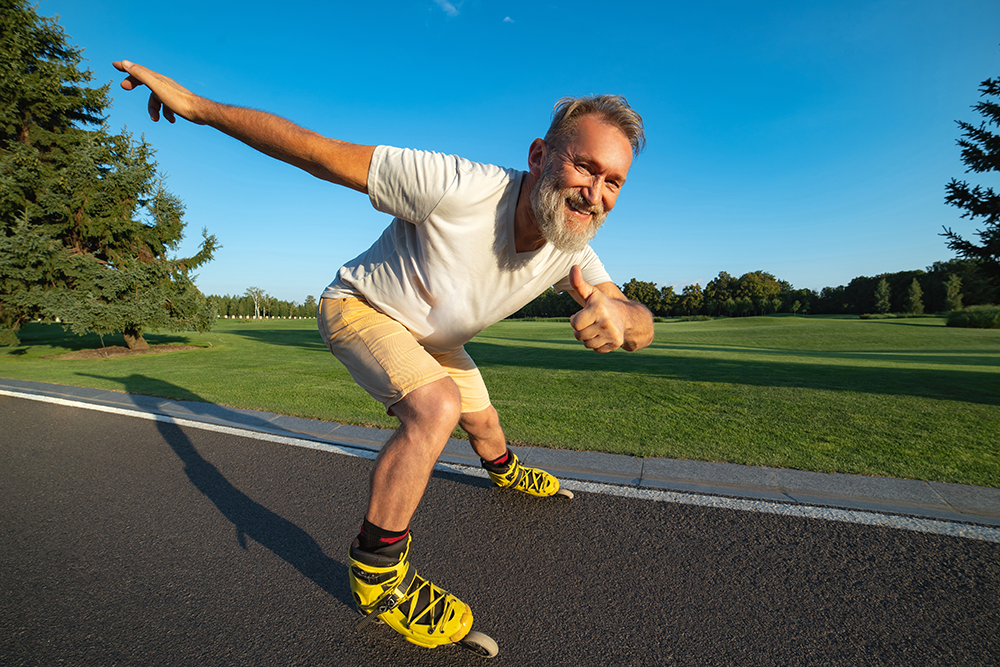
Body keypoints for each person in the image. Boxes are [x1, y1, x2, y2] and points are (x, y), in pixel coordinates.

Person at [113, 60, 654, 651]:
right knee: (436, 406)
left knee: (485, 422)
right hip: (362, 309)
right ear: (539, 156)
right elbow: (315, 150)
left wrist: (627, 318)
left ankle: (506, 472)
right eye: (585, 166)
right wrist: (195, 106)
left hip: (437, 340)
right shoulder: (458, 185)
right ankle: (377, 575)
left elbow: (629, 313)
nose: (595, 194)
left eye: (614, 182)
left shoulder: (570, 243)